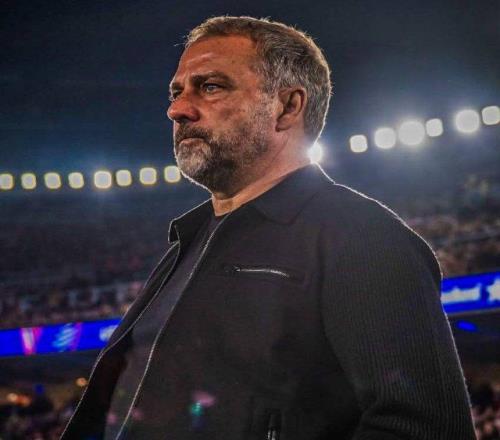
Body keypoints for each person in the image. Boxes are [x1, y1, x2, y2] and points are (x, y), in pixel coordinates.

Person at [61, 16, 476, 439]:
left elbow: (425, 428)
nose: (177, 109)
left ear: (287, 107)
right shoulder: (186, 243)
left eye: (210, 86)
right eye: (177, 91)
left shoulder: (361, 237)